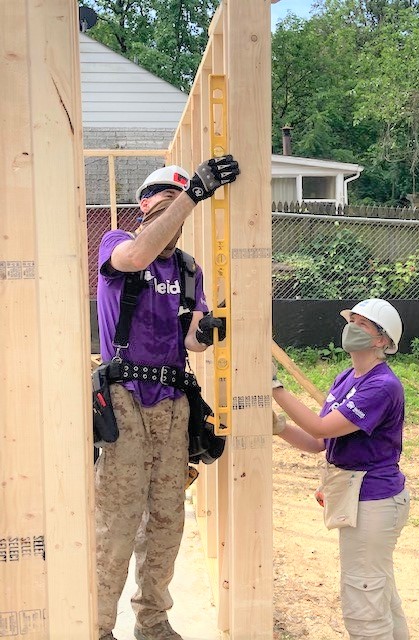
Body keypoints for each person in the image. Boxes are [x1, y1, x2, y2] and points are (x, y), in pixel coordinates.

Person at [95, 155, 240, 640]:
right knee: (118, 519)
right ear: (144, 206)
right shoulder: (119, 245)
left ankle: (152, 621)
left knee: (166, 520)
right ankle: (96, 626)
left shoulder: (188, 269)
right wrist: (193, 193)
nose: (175, 212)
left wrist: (211, 328)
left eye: (181, 203)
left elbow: (193, 341)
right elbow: (137, 258)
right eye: (167, 201)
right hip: (126, 399)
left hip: (173, 403)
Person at [272, 298, 410, 640]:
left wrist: (275, 389)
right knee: (379, 593)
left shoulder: (381, 386)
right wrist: (280, 428)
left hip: (373, 500)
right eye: (353, 320)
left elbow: (322, 429)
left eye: (362, 324)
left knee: (365, 603)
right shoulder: (347, 377)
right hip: (358, 496)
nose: (352, 327)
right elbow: (321, 442)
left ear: (382, 340)